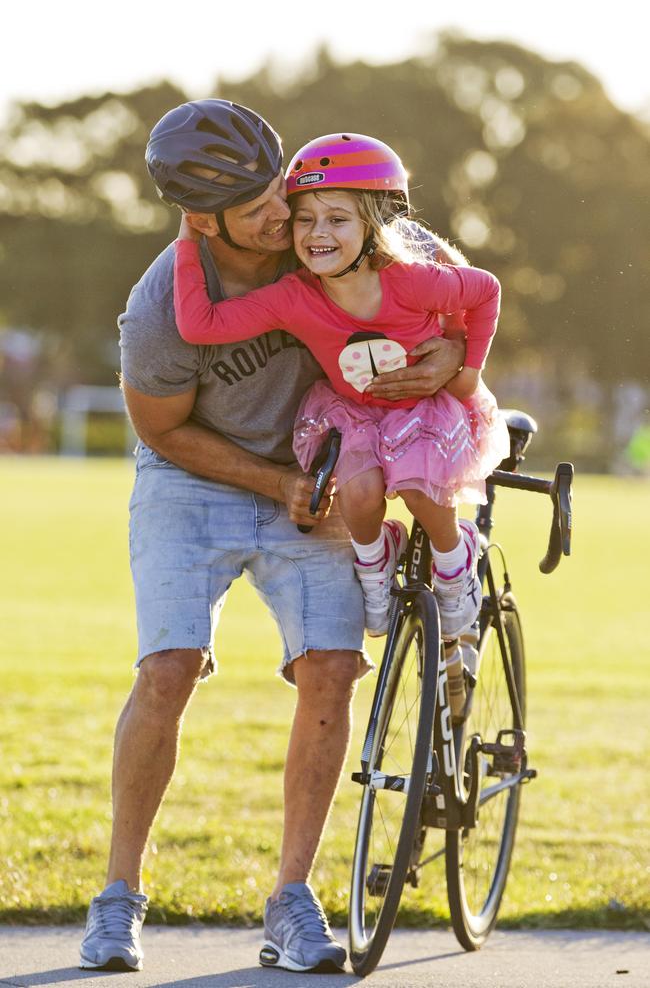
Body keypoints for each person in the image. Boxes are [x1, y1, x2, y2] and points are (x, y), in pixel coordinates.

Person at [78, 101, 466, 976]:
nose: (280, 215)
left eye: (276, 191)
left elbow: (451, 289)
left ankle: (292, 899)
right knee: (168, 665)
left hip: (316, 473)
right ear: (196, 219)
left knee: (331, 667)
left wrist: (446, 360)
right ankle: (117, 897)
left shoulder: (326, 225)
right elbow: (164, 432)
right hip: (192, 479)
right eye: (252, 209)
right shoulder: (160, 310)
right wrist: (275, 483)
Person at [173, 132, 510, 642]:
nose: (317, 233)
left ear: (371, 227)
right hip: (355, 410)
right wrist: (188, 237)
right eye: (304, 219)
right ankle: (376, 570)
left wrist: (468, 368)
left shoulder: (413, 280)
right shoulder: (293, 296)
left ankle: (453, 563)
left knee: (421, 488)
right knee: (358, 494)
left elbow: (485, 290)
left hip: (424, 409)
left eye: (337, 219)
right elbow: (201, 325)